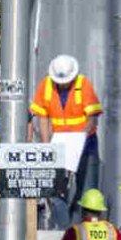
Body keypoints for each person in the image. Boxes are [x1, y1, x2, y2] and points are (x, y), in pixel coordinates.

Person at [29, 54, 102, 227]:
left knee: (87, 191)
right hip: (58, 144)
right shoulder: (46, 86)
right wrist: (48, 147)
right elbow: (43, 118)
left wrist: (80, 139)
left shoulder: (83, 84)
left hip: (85, 144)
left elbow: (92, 117)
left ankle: (77, 228)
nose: (62, 84)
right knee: (55, 191)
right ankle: (64, 228)